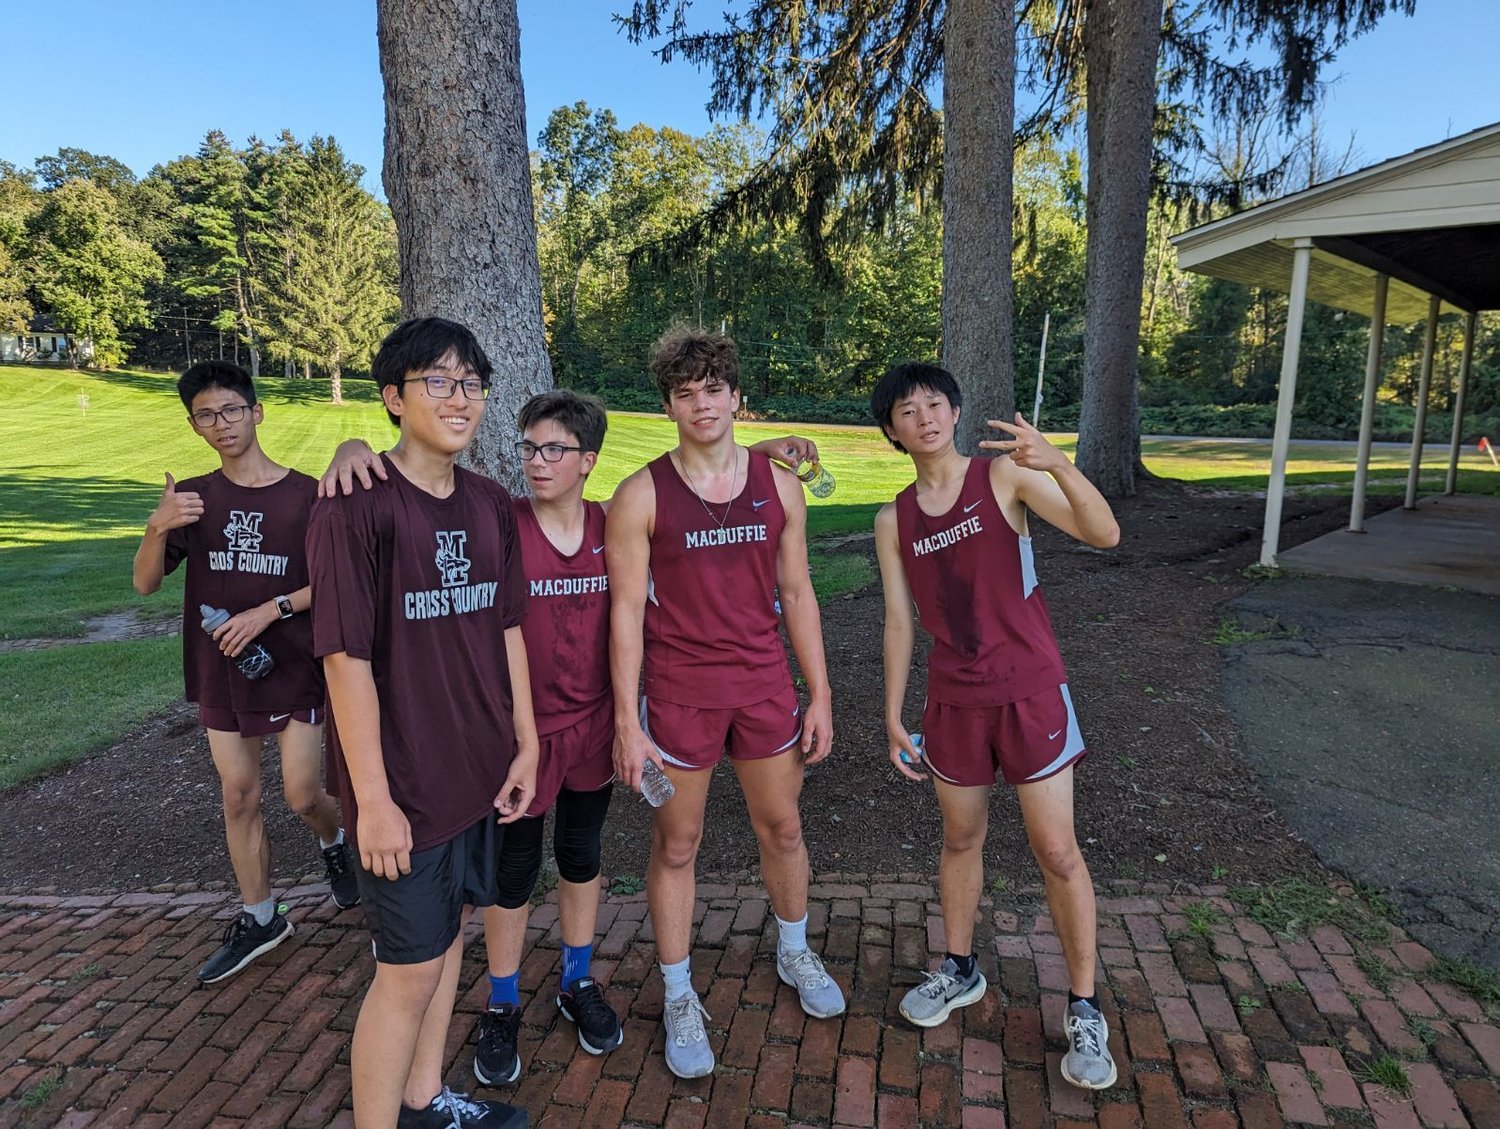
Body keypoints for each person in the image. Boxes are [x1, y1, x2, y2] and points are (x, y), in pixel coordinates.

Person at [320, 392, 820, 1089]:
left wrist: (758, 451)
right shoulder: (501, 520)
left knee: (582, 855)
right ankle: (501, 1001)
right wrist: (352, 451)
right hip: (520, 734)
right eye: (528, 448)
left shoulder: (612, 521)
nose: (537, 461)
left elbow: (686, 493)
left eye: (554, 449)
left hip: (594, 726)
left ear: (588, 461)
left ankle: (576, 979)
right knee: (515, 870)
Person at [307, 317, 533, 1128]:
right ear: (393, 398)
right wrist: (371, 800)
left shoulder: (490, 503)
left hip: (479, 770)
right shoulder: (355, 506)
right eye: (438, 380)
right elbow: (344, 659)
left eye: (471, 383)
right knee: (405, 972)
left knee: (449, 940)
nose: (459, 397)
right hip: (403, 785)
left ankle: (425, 1098)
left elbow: (508, 626)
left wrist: (527, 743)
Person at [870, 362, 1121, 1089]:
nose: (925, 417)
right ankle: (960, 968)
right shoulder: (893, 519)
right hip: (954, 701)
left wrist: (1060, 464)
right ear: (892, 430)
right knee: (960, 838)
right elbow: (898, 620)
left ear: (955, 412)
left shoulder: (1004, 478)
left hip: (1030, 691)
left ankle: (1084, 1006)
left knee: (1057, 850)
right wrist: (892, 711)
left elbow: (1104, 533)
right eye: (907, 410)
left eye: (935, 403)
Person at [608, 325, 843, 1080]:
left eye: (714, 390)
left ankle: (795, 949)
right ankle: (679, 992)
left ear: (737, 398)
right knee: (678, 844)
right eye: (686, 394)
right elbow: (624, 615)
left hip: (764, 685)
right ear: (668, 406)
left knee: (784, 826)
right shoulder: (640, 495)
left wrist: (820, 694)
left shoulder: (779, 483)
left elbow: (798, 593)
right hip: (681, 694)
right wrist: (627, 723)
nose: (702, 404)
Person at [131, 360, 357, 986]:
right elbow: (145, 583)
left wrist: (268, 611)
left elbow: (335, 582)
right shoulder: (192, 501)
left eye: (232, 409)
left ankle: (335, 843)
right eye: (206, 415)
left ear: (256, 412)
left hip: (293, 665)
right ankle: (261, 917)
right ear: (194, 426)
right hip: (222, 670)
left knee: (303, 794)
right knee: (239, 794)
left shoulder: (307, 496)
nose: (222, 424)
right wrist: (156, 526)